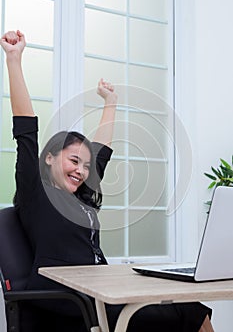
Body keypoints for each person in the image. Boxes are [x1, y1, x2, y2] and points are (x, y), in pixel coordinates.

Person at [0, 30, 214, 332]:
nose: (81, 171)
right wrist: (14, 59)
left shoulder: (82, 199)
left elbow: (101, 154)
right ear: (49, 158)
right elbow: (25, 129)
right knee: (187, 314)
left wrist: (110, 102)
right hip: (68, 302)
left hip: (98, 292)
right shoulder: (37, 193)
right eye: (73, 161)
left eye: (85, 166)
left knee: (190, 308)